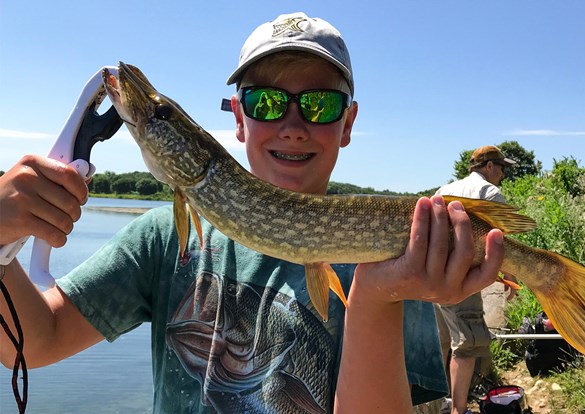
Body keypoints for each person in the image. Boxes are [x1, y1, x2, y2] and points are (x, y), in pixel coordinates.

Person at [0, 12, 505, 413]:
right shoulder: (161, 239)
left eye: (320, 105)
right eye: (265, 103)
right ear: (238, 119)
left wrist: (376, 294)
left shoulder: (397, 258)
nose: (291, 124)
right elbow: (37, 341)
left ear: (348, 124)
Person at [434, 145, 517, 414]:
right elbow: (499, 239)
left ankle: (441, 403)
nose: (503, 174)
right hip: (463, 274)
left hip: (433, 274)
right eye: (502, 168)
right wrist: (510, 273)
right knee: (468, 343)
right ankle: (459, 409)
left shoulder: (444, 189)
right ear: (489, 167)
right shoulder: (490, 193)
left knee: (443, 340)